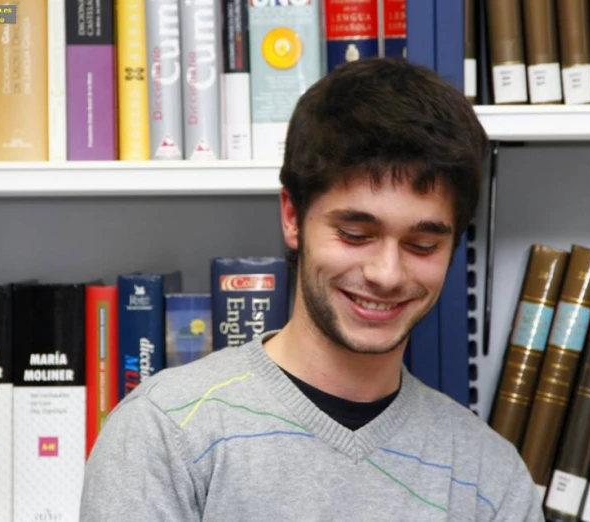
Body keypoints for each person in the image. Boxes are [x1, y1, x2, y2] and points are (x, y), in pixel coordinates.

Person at [79, 57, 544, 521]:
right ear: (291, 217)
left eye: (422, 244)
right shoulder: (165, 432)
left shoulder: (490, 478)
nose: (387, 273)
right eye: (355, 234)